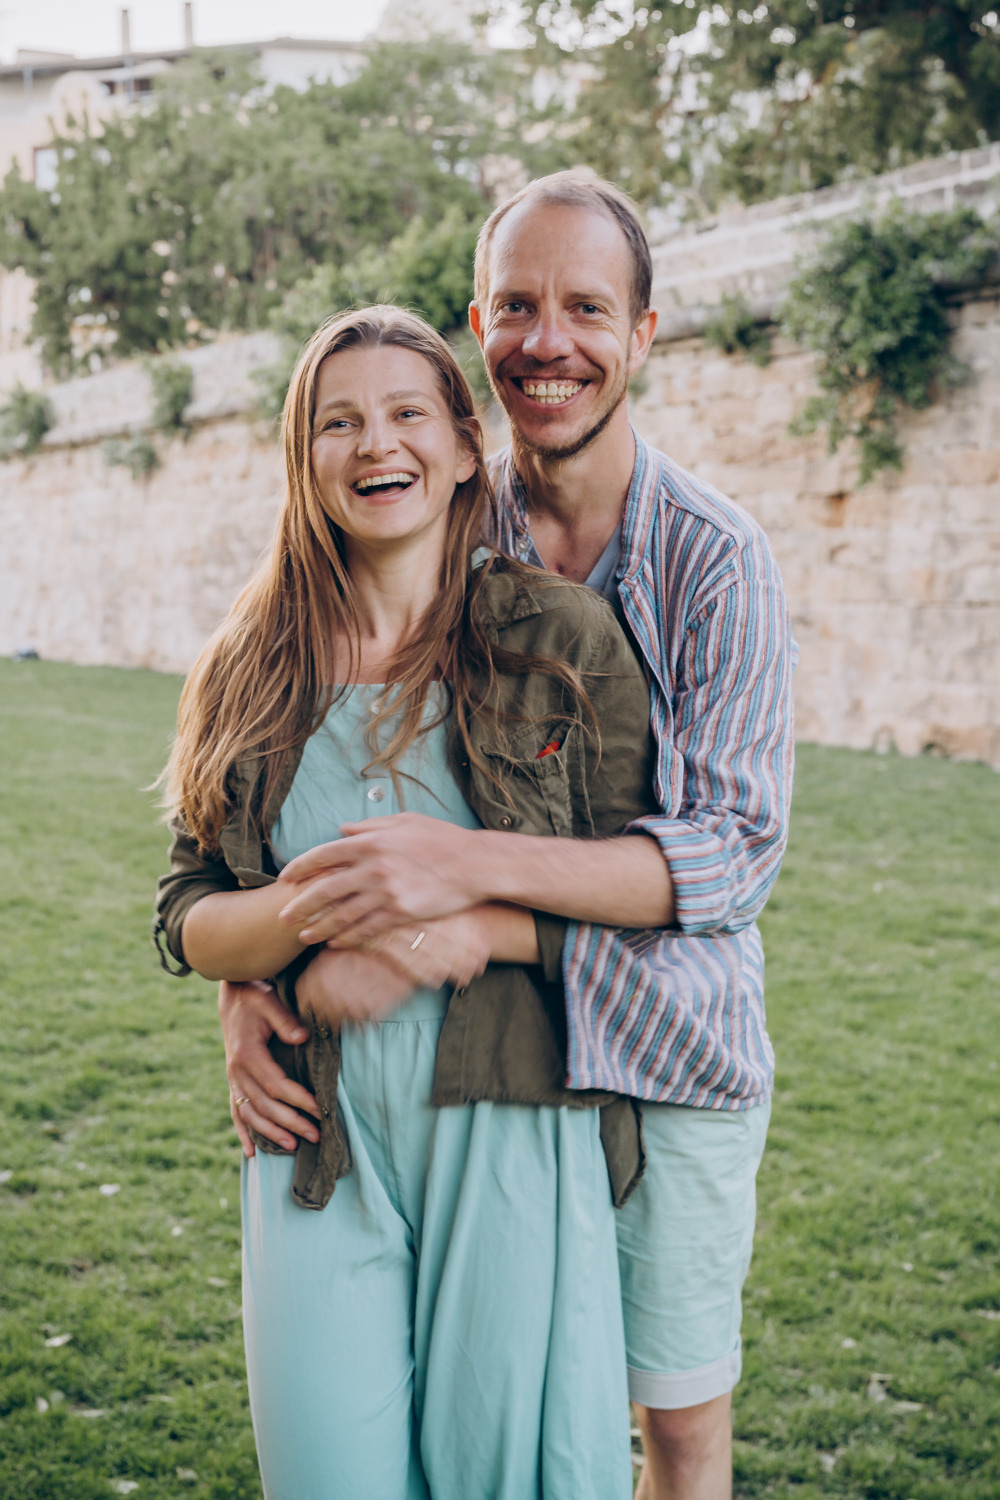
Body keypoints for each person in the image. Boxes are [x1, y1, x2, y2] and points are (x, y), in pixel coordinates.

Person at [220, 173, 795, 1500]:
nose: (552, 341)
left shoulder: (716, 559)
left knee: (675, 1435)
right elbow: (303, 793)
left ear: (644, 333)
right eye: (520, 306)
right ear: (478, 324)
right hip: (490, 1074)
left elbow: (728, 855)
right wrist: (253, 982)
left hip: (665, 1047)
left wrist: (465, 891)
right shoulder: (439, 519)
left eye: (588, 308)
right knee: (474, 1427)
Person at [154, 305, 669, 1500]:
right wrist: (293, 944)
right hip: (313, 1138)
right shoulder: (251, 661)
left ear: (458, 443)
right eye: (337, 421)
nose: (372, 442)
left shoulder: (556, 638)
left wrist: (443, 938)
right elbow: (186, 905)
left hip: (513, 1122)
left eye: (403, 413)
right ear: (305, 455)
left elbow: (651, 890)